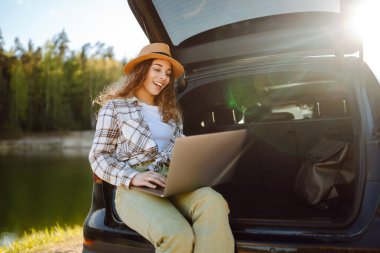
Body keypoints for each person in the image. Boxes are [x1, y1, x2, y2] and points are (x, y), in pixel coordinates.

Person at [89, 43, 234, 253]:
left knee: (213, 201)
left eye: (167, 73)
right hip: (134, 187)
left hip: (172, 180)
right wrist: (131, 177)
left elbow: (178, 148)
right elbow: (98, 156)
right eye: (157, 69)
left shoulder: (171, 113)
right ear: (142, 70)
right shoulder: (115, 108)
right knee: (178, 236)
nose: (163, 77)